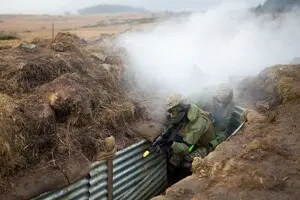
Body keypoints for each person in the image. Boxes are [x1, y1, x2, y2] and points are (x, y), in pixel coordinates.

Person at [165, 93, 215, 173]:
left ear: (183, 108)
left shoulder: (199, 122)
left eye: (173, 112)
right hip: (190, 141)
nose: (171, 115)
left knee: (185, 165)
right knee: (172, 163)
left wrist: (171, 144)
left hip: (202, 146)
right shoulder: (185, 113)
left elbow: (187, 148)